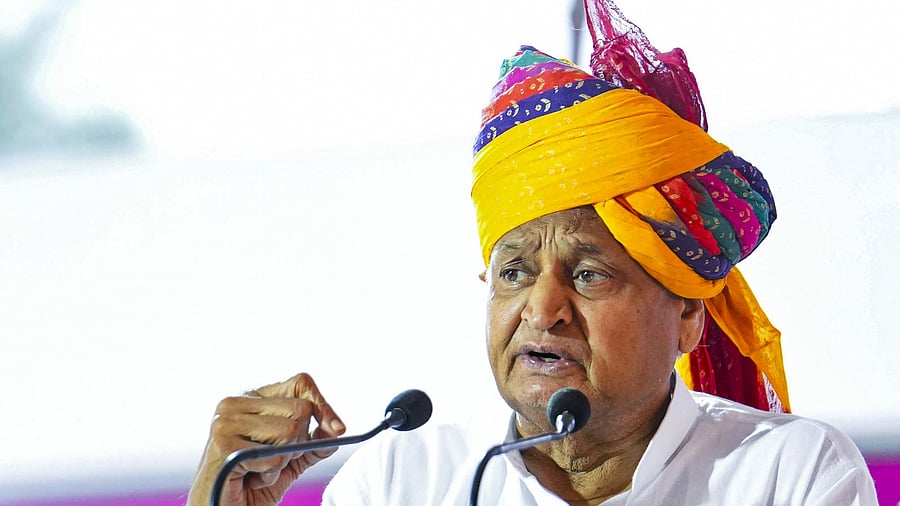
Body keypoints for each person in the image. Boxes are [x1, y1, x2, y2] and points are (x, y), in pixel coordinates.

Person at [186, 1, 877, 504]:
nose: (542, 310)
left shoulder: (788, 475)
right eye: (514, 271)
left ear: (690, 316)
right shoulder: (404, 481)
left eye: (588, 274)